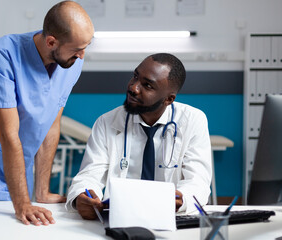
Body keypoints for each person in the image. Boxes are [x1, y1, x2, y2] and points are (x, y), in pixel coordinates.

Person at [0, 1, 94, 226]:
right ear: (51, 42)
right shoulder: (0, 56)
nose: (82, 55)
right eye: (77, 49)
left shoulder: (72, 61)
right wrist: (21, 204)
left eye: (86, 46)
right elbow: (9, 134)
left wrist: (42, 191)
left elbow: (51, 124)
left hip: (21, 161)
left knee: (29, 225)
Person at [66, 53, 212, 219]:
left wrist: (181, 199)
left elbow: (198, 181)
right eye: (135, 76)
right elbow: (89, 175)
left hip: (169, 217)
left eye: (147, 85)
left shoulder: (192, 120)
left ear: (169, 99)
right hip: (119, 216)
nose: (133, 88)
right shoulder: (106, 122)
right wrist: (82, 197)